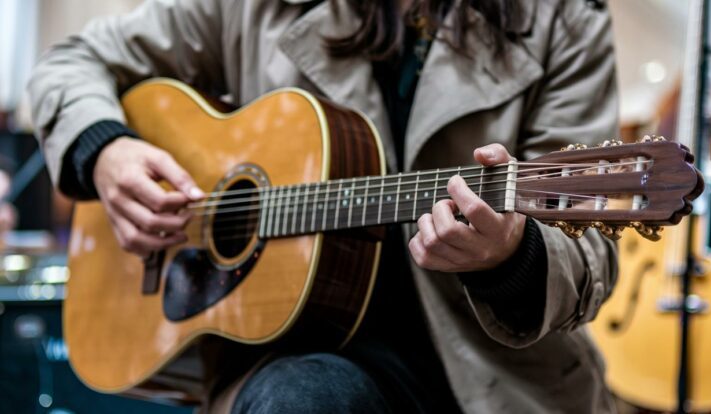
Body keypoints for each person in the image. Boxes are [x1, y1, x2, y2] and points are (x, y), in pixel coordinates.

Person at [28, 0, 618, 412]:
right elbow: (69, 62)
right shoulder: (252, 7)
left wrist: (510, 256)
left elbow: (588, 248)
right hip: (301, 362)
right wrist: (106, 148)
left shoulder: (563, 18)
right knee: (303, 398)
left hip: (499, 379)